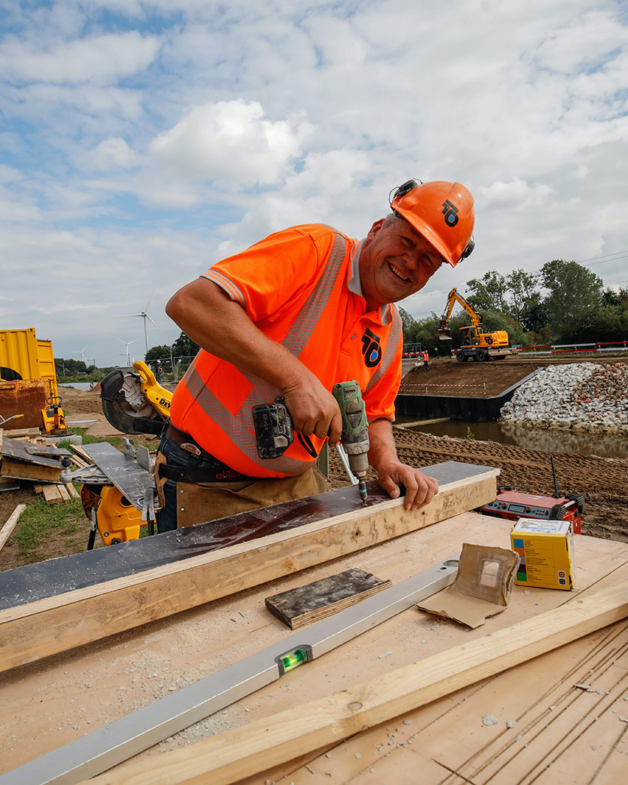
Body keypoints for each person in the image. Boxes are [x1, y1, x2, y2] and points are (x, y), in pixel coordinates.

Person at [156, 179, 475, 532]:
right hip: (207, 478)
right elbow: (192, 303)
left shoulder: (392, 328)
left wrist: (387, 461)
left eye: (428, 260)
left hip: (295, 483)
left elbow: (375, 413)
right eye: (406, 241)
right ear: (377, 229)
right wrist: (296, 381)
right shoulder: (318, 252)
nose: (410, 262)